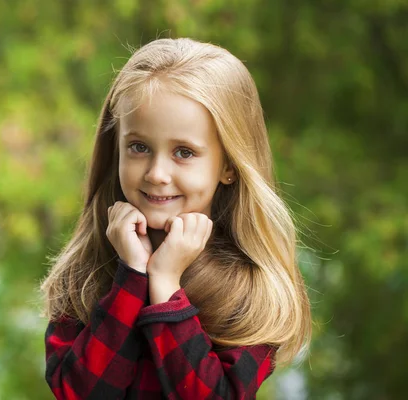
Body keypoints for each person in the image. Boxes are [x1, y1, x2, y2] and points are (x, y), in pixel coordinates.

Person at [39, 37, 312, 399]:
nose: (156, 173)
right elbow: (78, 392)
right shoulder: (85, 270)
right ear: (116, 147)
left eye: (184, 152)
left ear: (229, 165)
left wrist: (165, 285)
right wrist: (131, 275)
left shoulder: (251, 288)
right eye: (139, 147)